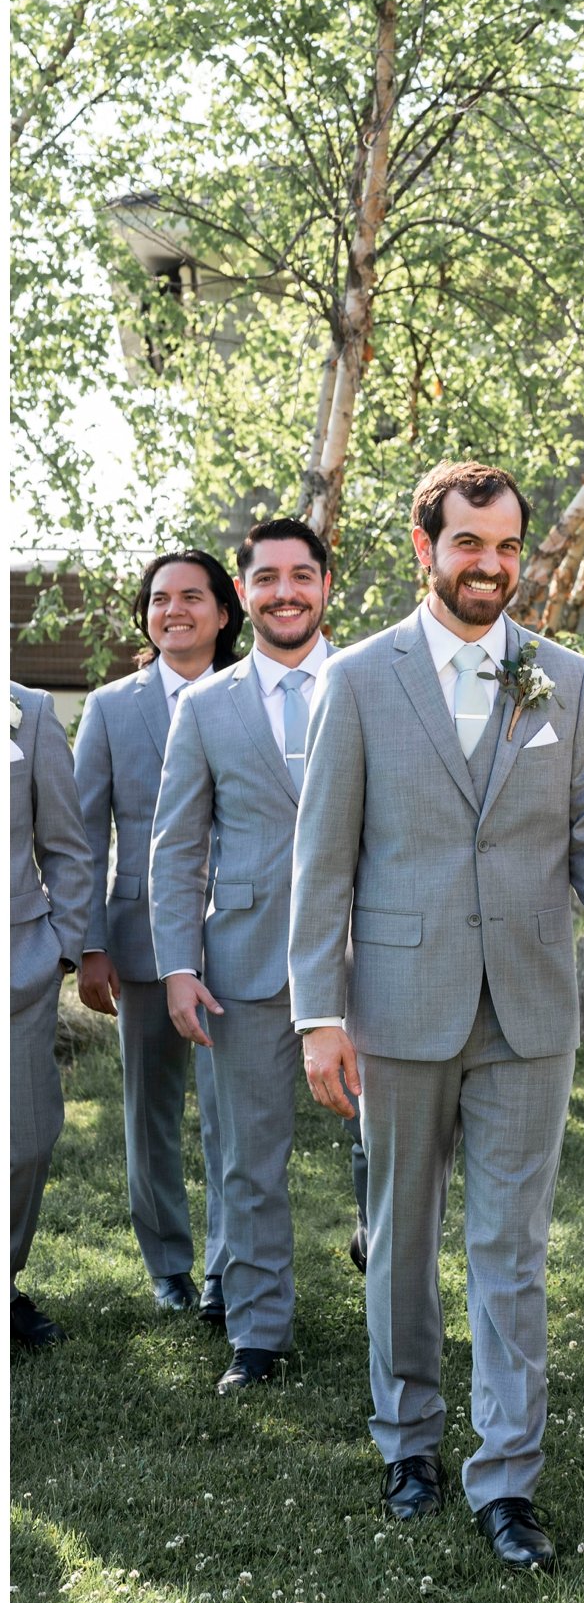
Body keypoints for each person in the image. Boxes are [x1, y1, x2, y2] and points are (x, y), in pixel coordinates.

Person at [288, 461, 584, 1567]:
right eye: (468, 545)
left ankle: (507, 1478)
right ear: (425, 547)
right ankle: (408, 1439)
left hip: (534, 1003)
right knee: (403, 1235)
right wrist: (319, 1013)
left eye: (507, 547)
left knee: (513, 1245)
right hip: (399, 1003)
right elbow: (324, 864)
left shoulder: (567, 680)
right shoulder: (358, 680)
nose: (491, 567)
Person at [150, 519, 334, 1392]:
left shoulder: (373, 682)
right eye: (267, 578)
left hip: (367, 953)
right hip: (244, 960)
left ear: (326, 587)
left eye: (302, 575)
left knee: (395, 1151)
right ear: (245, 597)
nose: (285, 591)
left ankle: (395, 1286)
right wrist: (178, 964)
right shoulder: (206, 706)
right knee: (248, 1160)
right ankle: (258, 1334)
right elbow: (177, 845)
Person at [72, 550, 240, 1322]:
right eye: (160, 599)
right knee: (151, 1112)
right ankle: (168, 1262)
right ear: (147, 615)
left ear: (223, 611)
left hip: (241, 936)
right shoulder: (110, 707)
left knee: (234, 1115)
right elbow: (82, 833)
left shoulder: (253, 695)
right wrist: (91, 943)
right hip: (139, 940)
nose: (175, 610)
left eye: (192, 597)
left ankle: (226, 1269)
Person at [11, 680, 93, 1350]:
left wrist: (60, 948)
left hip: (18, 965)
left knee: (26, 1138)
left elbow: (66, 844)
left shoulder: (29, 712)